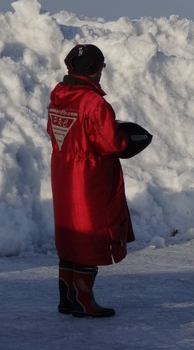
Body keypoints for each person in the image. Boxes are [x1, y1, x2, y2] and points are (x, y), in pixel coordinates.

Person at [47, 44, 133, 318]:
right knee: (91, 233)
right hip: (90, 178)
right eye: (102, 67)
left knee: (71, 232)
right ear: (95, 69)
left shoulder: (58, 98)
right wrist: (129, 137)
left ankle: (67, 298)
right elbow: (112, 143)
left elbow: (55, 132)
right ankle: (84, 300)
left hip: (63, 173)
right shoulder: (94, 103)